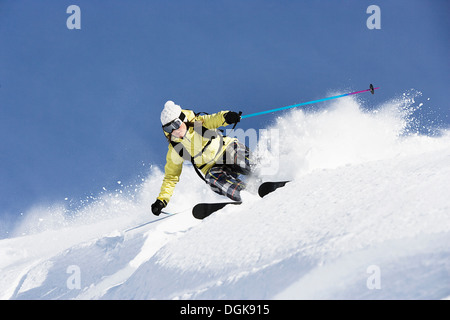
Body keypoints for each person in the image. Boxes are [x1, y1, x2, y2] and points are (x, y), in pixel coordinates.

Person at [151, 100, 253, 216]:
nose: (174, 131)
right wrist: (161, 200)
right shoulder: (176, 148)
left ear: (183, 119)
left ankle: (261, 170)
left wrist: (227, 116)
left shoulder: (199, 124)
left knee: (238, 158)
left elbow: (216, 118)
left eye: (176, 125)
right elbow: (171, 177)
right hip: (213, 168)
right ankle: (245, 193)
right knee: (212, 178)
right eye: (168, 129)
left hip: (227, 150)